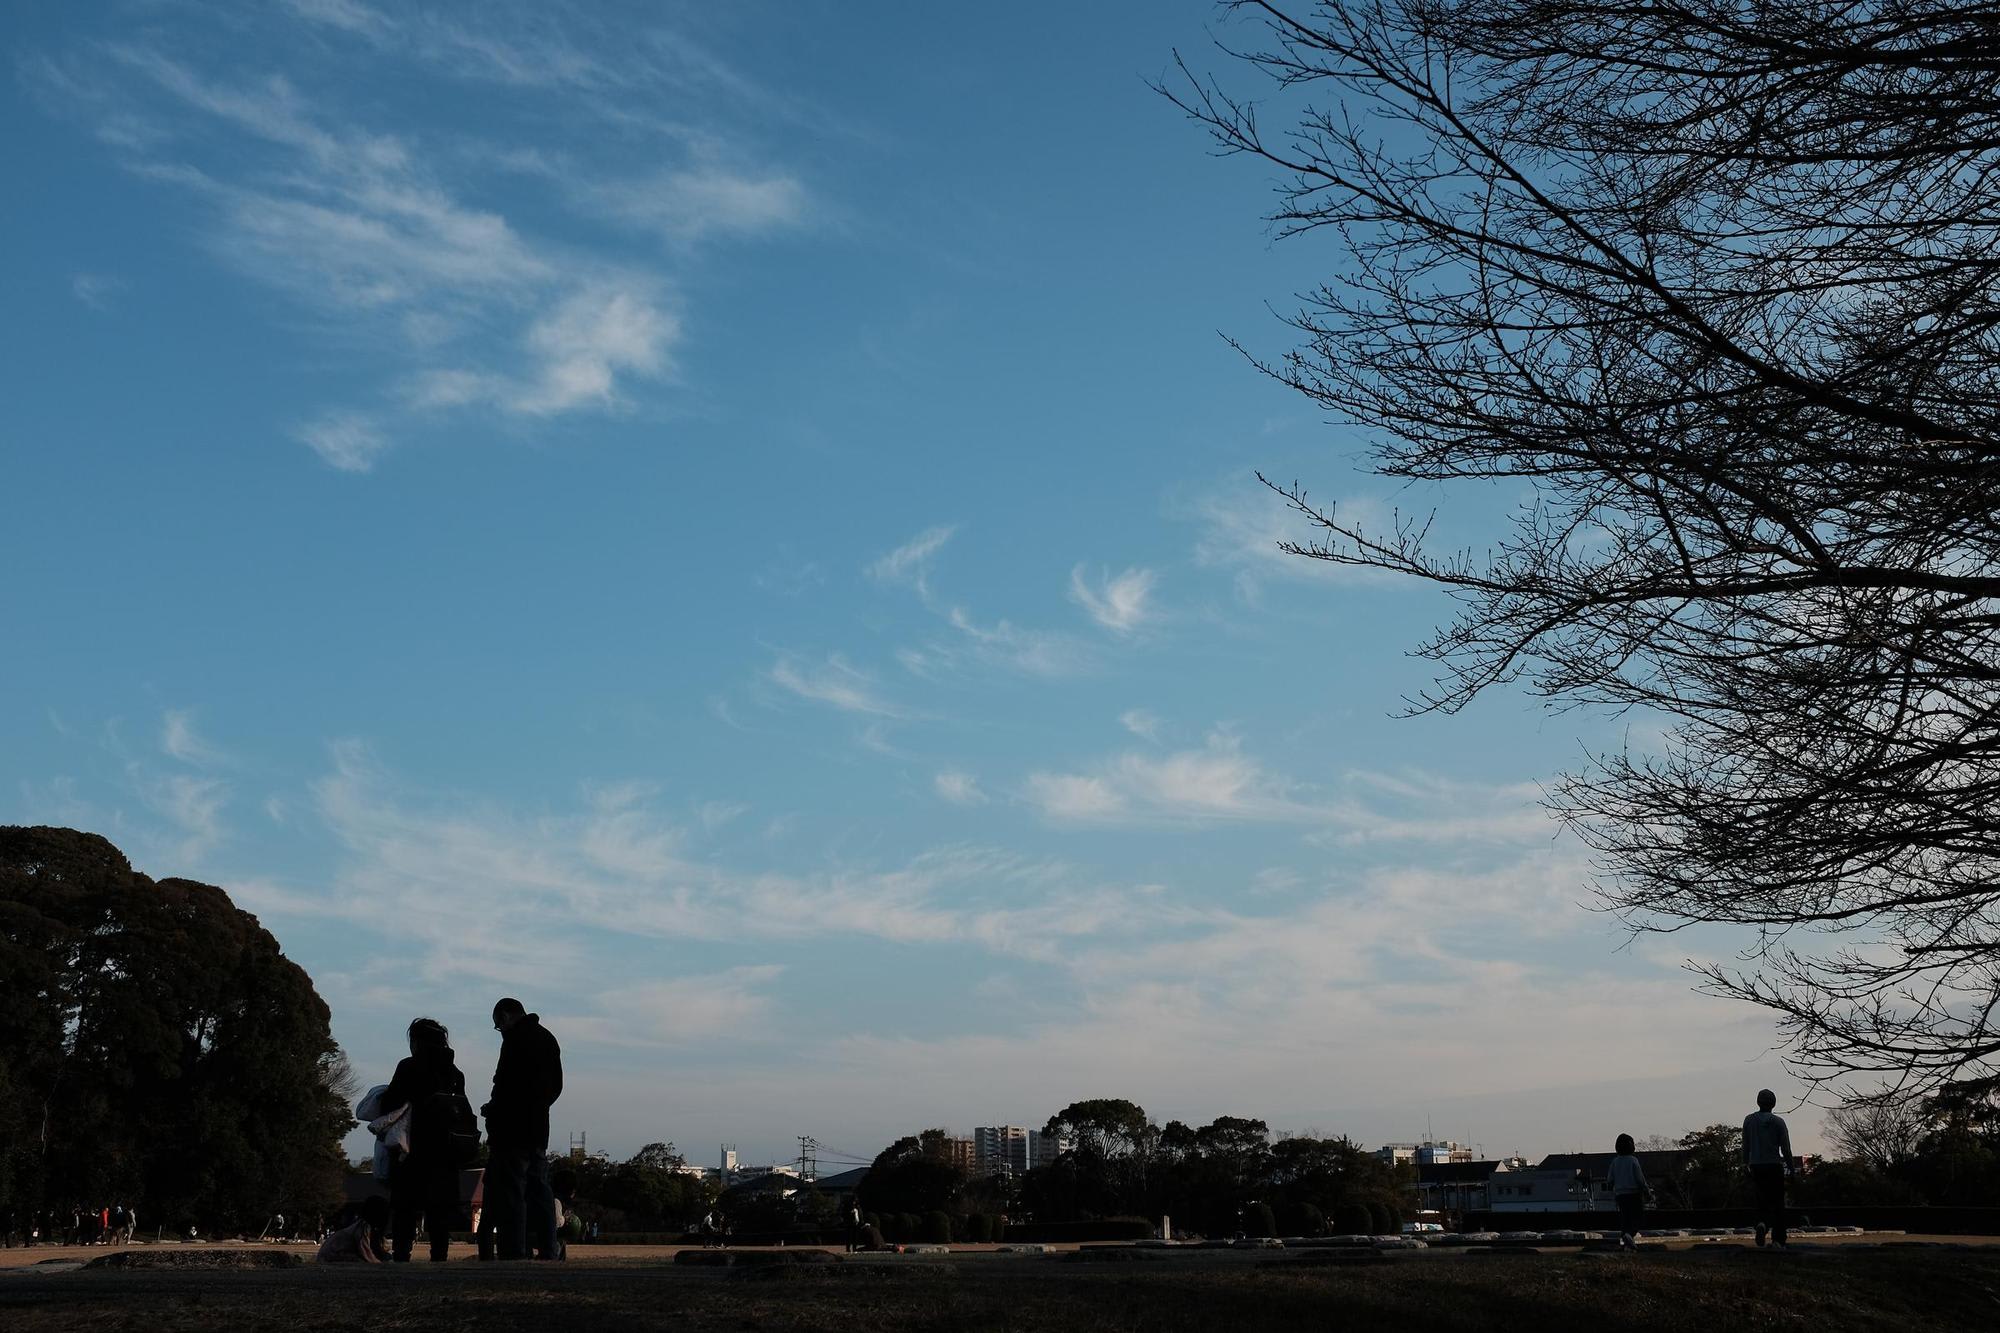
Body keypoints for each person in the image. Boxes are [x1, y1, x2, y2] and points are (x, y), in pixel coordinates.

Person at [382, 1017, 472, 1263]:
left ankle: (401, 1255)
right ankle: (439, 1256)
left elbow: (391, 1102)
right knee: (440, 1209)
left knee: (405, 1207)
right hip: (446, 1151)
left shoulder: (408, 1067)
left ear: (417, 1041)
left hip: (412, 1147)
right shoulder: (455, 1074)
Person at [481, 997, 562, 1261]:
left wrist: (494, 1109)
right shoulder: (548, 1038)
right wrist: (540, 1106)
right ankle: (549, 1247)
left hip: (511, 1128)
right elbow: (556, 1086)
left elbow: (504, 1084)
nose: (499, 1031)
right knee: (540, 1188)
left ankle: (514, 1248)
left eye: (498, 1025)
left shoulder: (514, 1041)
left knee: (512, 1190)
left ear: (506, 1016)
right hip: (538, 1125)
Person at [1744, 1088, 1794, 1248]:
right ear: (1774, 1104)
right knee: (1778, 1202)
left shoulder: (1749, 1120)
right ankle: (1778, 1239)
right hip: (1774, 1165)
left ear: (1758, 1102)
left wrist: (1745, 1163)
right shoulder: (1778, 1122)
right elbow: (1785, 1148)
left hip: (1756, 1166)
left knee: (1760, 1199)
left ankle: (1761, 1223)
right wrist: (1791, 1168)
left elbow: (1746, 1145)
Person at [1606, 1134, 1650, 1250]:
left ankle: (1626, 1240)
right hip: (1634, 1193)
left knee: (1625, 1218)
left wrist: (1612, 1189)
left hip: (1620, 1195)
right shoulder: (1633, 1160)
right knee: (1637, 1218)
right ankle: (1629, 1235)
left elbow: (1610, 1180)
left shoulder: (1615, 1162)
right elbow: (1640, 1179)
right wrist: (1646, 1191)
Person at [317, 1199, 389, 1264]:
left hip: (328, 1254)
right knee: (360, 1262)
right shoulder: (363, 1228)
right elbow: (366, 1252)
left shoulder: (366, 1228)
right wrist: (379, 1263)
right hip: (330, 1255)